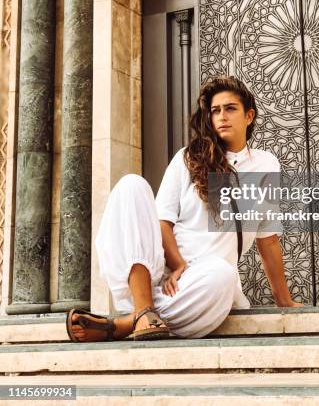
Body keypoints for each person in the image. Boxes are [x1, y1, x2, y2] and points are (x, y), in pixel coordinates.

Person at [66, 76, 301, 342]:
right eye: (215, 110)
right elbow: (162, 221)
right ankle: (143, 310)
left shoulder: (266, 165)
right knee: (131, 185)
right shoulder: (188, 157)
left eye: (230, 108)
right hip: (161, 277)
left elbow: (267, 237)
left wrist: (285, 301)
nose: (222, 116)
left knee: (222, 273)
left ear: (249, 116)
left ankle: (130, 323)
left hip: (202, 286)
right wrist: (178, 264)